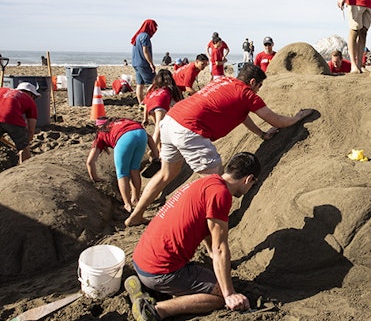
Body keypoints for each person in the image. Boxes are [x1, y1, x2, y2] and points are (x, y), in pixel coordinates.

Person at [125, 63, 314, 227]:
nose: (258, 91)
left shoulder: (223, 82)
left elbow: (242, 115)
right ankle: (204, 224)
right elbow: (277, 120)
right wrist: (298, 117)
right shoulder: (246, 93)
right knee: (214, 181)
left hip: (171, 120)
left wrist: (261, 134)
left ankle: (136, 215)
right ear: (253, 82)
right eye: (259, 86)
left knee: (166, 174)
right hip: (189, 129)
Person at [125, 152, 262, 321]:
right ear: (249, 179)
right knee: (219, 296)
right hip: (159, 270)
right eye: (252, 184)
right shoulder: (221, 195)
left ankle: (144, 289)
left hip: (142, 258)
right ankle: (155, 310)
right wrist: (229, 293)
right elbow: (220, 247)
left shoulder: (209, 181)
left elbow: (206, 228)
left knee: (212, 275)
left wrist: (210, 253)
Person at [86, 118, 158, 213]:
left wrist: (94, 177)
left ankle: (127, 204)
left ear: (98, 127)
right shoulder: (124, 121)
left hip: (124, 138)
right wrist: (156, 156)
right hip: (141, 134)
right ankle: (136, 199)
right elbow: (149, 137)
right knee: (134, 169)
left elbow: (90, 162)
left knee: (122, 173)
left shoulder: (101, 133)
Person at [142, 69, 183, 151]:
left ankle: (159, 152)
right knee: (159, 128)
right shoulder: (170, 89)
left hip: (150, 106)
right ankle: (152, 151)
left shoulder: (153, 88)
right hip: (160, 104)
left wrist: (145, 118)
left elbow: (145, 104)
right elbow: (178, 104)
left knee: (158, 128)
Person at [0, 82, 39, 164]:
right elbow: (31, 130)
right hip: (12, 118)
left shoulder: (2, 90)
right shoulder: (30, 101)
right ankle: (25, 168)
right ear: (30, 94)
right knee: (23, 147)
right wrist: (25, 143)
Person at [130, 19, 158, 104]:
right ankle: (146, 101)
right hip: (143, 64)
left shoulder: (138, 36)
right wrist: (151, 63)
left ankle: (141, 103)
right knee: (155, 82)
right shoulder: (145, 36)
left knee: (140, 85)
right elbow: (145, 51)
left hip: (136, 63)